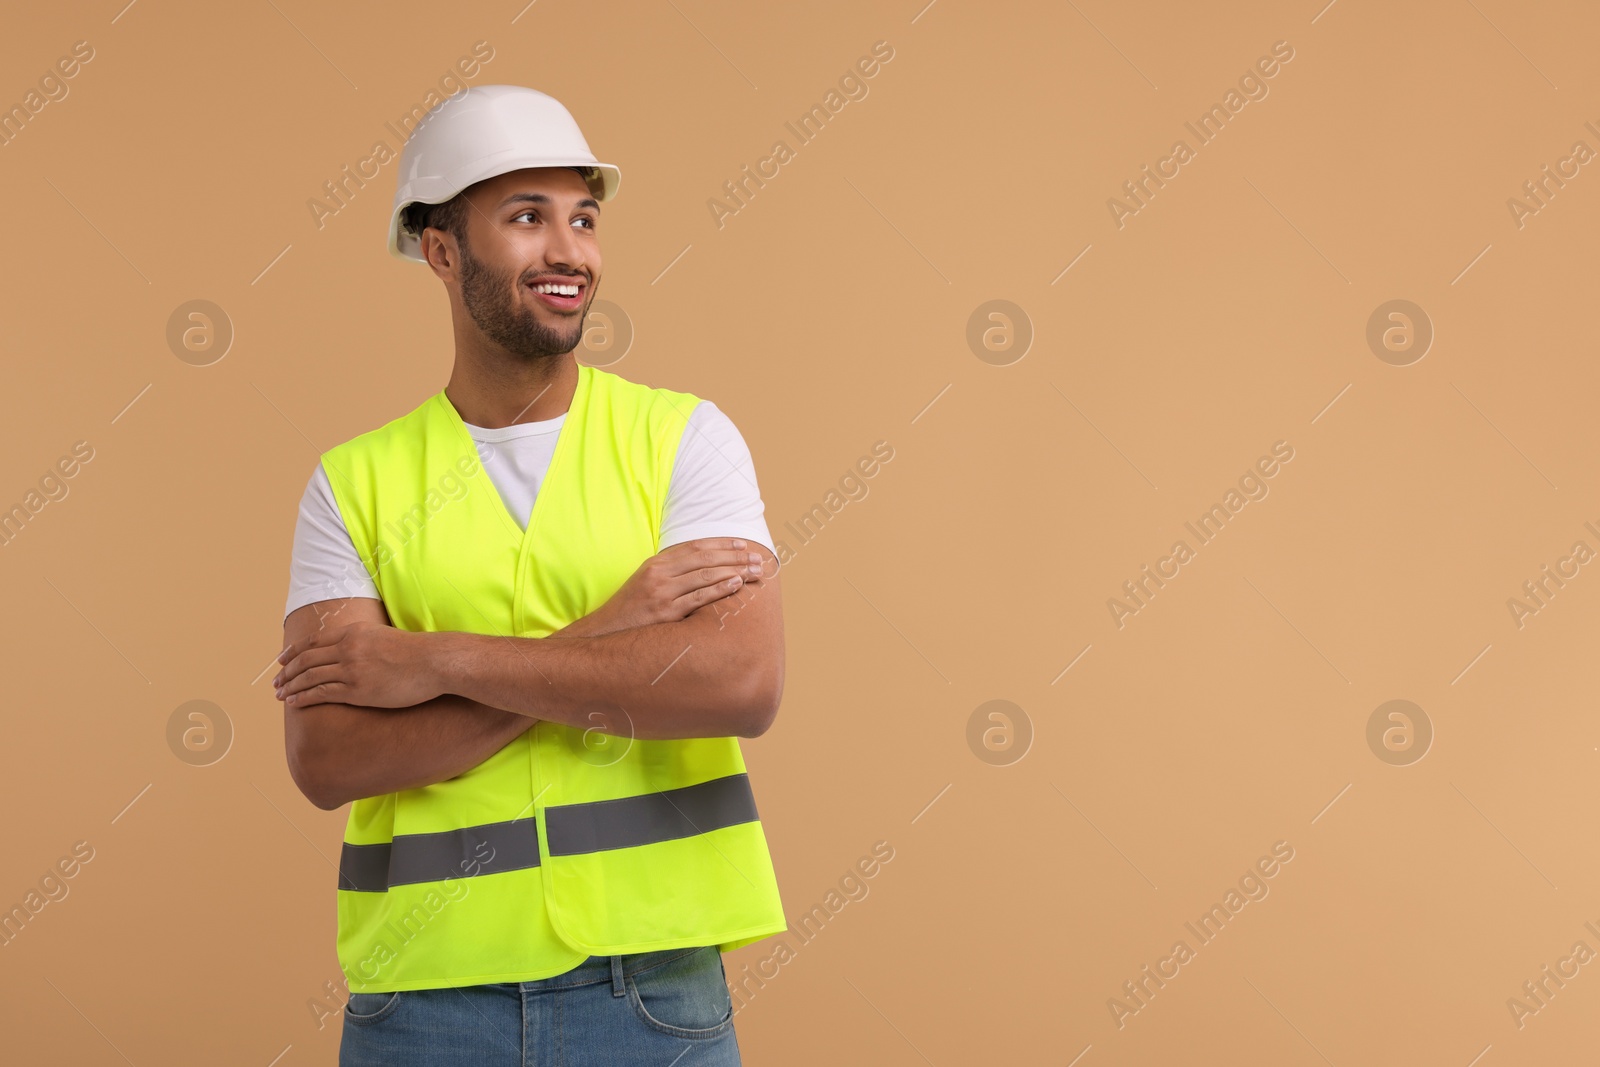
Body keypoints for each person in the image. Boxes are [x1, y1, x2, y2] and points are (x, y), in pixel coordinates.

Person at [274, 85, 787, 1066]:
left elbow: (736, 684)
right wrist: (613, 632)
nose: (569, 251)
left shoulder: (685, 440)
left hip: (653, 991)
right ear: (440, 249)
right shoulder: (355, 482)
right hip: (425, 1002)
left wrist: (435, 659)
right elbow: (330, 758)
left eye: (583, 218)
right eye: (525, 218)